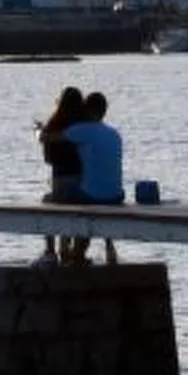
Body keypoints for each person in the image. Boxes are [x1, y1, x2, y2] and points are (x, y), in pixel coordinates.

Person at [58, 90, 124, 264]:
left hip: (93, 197)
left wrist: (38, 131)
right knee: (88, 200)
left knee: (59, 198)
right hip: (117, 196)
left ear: (88, 110)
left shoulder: (81, 130)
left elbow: (48, 138)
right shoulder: (114, 134)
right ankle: (83, 252)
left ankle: (65, 248)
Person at [33, 86, 85, 266]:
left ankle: (50, 251)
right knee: (78, 209)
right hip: (85, 186)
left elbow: (49, 158)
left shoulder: (54, 126)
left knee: (48, 202)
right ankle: (75, 252)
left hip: (61, 183)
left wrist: (39, 131)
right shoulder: (85, 126)